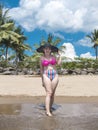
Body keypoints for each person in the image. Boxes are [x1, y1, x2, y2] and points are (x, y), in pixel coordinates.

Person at [37, 43, 62, 116]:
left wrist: (60, 56)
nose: (47, 50)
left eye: (48, 48)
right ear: (43, 50)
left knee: (53, 94)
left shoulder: (54, 56)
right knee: (49, 92)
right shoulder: (41, 58)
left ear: (51, 50)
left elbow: (59, 64)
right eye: (45, 48)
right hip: (46, 74)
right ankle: (48, 111)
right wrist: (42, 80)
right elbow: (41, 70)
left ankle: (50, 108)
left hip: (55, 74)